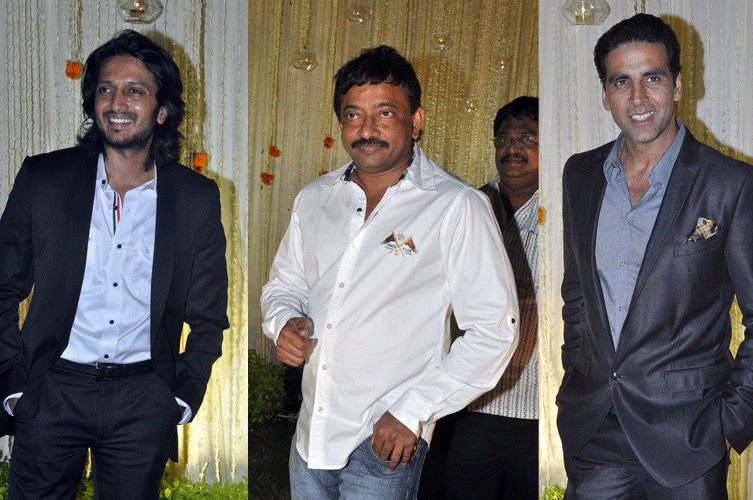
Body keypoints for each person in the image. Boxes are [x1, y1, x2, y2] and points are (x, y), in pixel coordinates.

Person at [260, 45, 519, 499]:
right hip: (312, 431)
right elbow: (285, 286)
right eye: (353, 115)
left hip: (385, 437)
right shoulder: (314, 198)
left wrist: (413, 412)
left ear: (415, 121)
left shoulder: (456, 206)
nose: (367, 129)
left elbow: (494, 331)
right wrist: (284, 322)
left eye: (384, 113)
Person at [557, 13, 753, 499]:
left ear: (679, 85)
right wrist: (575, 378)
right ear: (605, 95)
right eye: (621, 81)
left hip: (690, 440)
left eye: (653, 78)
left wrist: (731, 423)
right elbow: (578, 295)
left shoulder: (732, 185)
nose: (638, 97)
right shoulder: (580, 175)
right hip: (593, 432)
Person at [0, 30, 229, 499]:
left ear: (161, 110)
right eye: (106, 88)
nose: (116, 102)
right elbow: (3, 286)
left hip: (142, 398)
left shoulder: (194, 198)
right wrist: (14, 382)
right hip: (51, 389)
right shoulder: (44, 179)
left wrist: (180, 396)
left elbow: (208, 316)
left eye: (135, 90)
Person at [444, 96, 539, 500]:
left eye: (527, 138)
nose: (512, 148)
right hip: (473, 402)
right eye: (503, 138)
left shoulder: (569, 210)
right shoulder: (469, 207)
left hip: (540, 405)